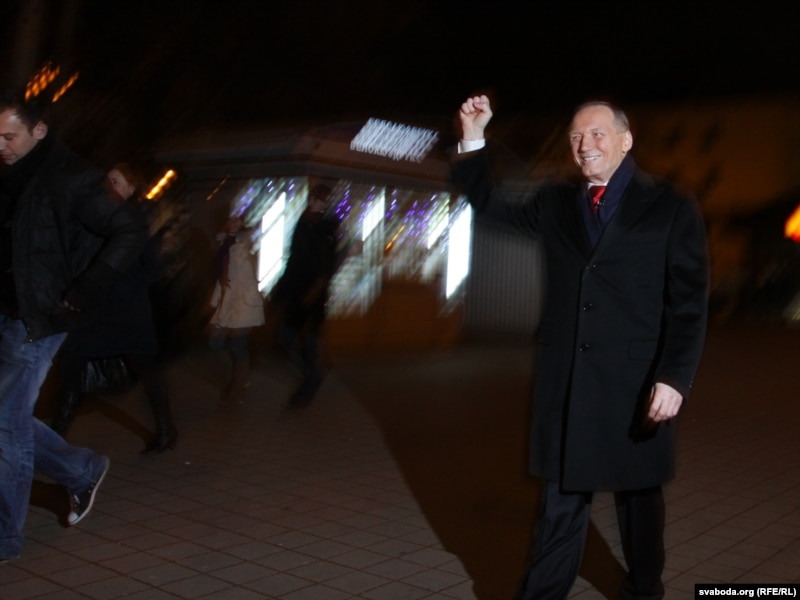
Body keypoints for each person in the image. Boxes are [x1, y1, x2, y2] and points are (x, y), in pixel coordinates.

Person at [452, 95, 709, 599]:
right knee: (560, 504)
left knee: (639, 503)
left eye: (596, 133)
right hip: (568, 382)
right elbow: (490, 207)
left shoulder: (671, 205)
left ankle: (644, 588)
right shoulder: (556, 202)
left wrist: (675, 376)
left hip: (637, 385)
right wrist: (474, 138)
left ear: (625, 140)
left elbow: (689, 302)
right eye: (575, 136)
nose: (584, 144)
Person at [0, 88, 147, 562]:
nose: (1, 146)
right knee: (7, 418)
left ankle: (5, 537)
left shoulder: (71, 178)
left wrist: (85, 288)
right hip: (6, 310)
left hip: (38, 318)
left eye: (9, 136)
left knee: (4, 425)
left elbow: (130, 230)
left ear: (39, 130)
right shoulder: (8, 173)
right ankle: (81, 470)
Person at [50, 162, 178, 455]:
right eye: (107, 180)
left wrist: (125, 284)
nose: (109, 185)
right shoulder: (94, 215)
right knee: (72, 364)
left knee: (147, 369)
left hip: (127, 309)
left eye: (116, 181)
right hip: (94, 306)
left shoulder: (140, 220)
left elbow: (153, 267)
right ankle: (56, 434)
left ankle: (166, 428)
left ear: (131, 188)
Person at [270, 183, 341, 410]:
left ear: (326, 203)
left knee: (309, 340)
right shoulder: (302, 224)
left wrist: (317, 288)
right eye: (313, 198)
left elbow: (328, 263)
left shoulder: (327, 228)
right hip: (296, 288)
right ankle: (312, 373)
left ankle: (308, 384)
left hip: (314, 294)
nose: (314, 202)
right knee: (286, 337)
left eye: (319, 199)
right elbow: (294, 259)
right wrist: (280, 291)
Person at [208, 214, 265, 404]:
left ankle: (237, 387)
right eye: (230, 219)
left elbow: (246, 273)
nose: (232, 223)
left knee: (237, 345)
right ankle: (237, 379)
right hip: (227, 299)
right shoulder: (223, 242)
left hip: (242, 302)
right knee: (216, 343)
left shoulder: (243, 244)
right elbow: (221, 274)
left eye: (237, 219)